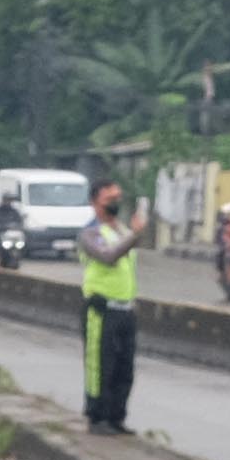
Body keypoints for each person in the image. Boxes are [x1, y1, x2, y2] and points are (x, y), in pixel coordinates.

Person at [77, 182, 143, 434]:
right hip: (101, 310)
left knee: (124, 367)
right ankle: (97, 417)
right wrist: (135, 236)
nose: (115, 203)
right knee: (100, 366)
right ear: (95, 202)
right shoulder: (90, 233)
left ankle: (117, 417)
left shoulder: (123, 231)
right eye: (109, 199)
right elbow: (108, 256)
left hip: (125, 309)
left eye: (118, 198)